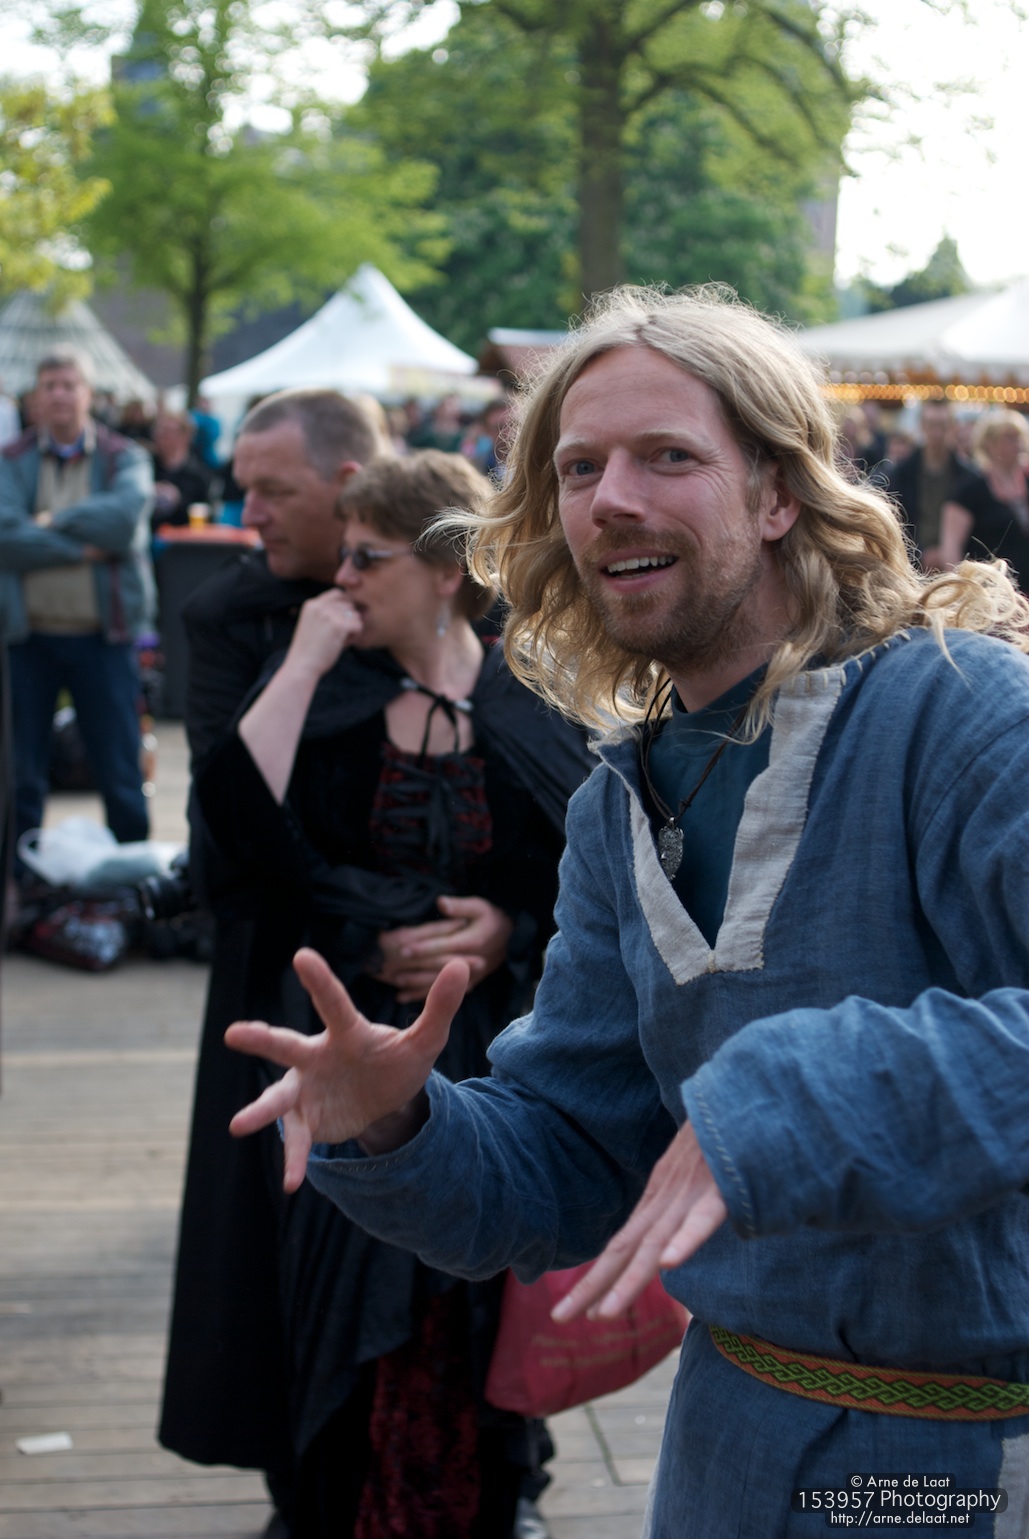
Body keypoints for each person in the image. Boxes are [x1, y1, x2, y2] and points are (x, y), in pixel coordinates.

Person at [227, 286, 1029, 1539]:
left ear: (777, 494)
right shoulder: (620, 804)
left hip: (968, 1463)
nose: (610, 499)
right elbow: (573, 1151)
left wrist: (787, 1098)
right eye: (578, 467)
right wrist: (397, 1122)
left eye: (668, 456)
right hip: (726, 1452)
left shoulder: (957, 710)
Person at [191, 448, 592, 1537]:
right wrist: (301, 663)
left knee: (481, 1287)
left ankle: (500, 1497)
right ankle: (323, 1507)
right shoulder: (330, 687)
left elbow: (584, 867)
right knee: (340, 1285)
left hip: (491, 1051)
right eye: (344, 556)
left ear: (444, 571)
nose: (343, 579)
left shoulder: (524, 690)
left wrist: (507, 927)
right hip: (351, 1049)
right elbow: (236, 836)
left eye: (368, 559)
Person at [158, 388, 385, 1520]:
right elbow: (230, 826)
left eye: (270, 490)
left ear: (348, 486)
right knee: (277, 1235)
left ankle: (500, 1470)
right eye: (242, 485)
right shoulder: (229, 615)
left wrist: (500, 919)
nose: (245, 513)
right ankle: (300, 1485)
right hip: (280, 965)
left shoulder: (453, 586)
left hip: (427, 979)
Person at [0, 349, 154, 852]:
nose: (60, 394)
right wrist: (82, 548)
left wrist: (46, 523)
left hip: (103, 639)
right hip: (27, 639)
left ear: (89, 394)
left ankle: (133, 872)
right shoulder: (10, 459)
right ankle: (19, 877)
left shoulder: (124, 456)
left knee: (119, 765)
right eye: (50, 385)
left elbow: (123, 523)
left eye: (69, 384)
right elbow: (3, 536)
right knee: (20, 770)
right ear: (35, 397)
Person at [884, 396, 979, 570]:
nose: (937, 432)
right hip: (911, 565)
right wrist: (921, 555)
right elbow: (895, 523)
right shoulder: (901, 474)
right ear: (922, 426)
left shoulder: (970, 477)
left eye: (942, 425)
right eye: (931, 425)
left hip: (959, 565)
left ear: (953, 427)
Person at [939, 409, 1029, 590]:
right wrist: (958, 590)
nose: (1017, 444)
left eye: (1019, 437)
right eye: (1009, 437)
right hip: (988, 590)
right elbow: (951, 547)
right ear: (990, 443)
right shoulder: (970, 489)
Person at [149, 409, 214, 530]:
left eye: (168, 431)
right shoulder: (146, 465)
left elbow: (207, 514)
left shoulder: (198, 473)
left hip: (181, 537)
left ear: (185, 437)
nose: (161, 436)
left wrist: (179, 500)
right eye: (158, 430)